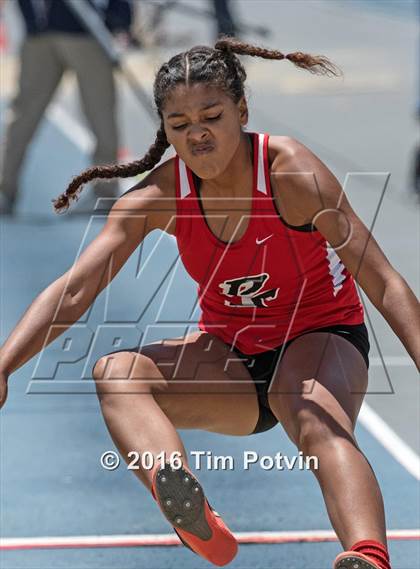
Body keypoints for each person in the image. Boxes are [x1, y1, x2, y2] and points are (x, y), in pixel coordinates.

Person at [1, 37, 419, 569]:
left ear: (241, 111)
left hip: (321, 337)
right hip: (233, 358)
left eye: (212, 116)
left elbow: (382, 281)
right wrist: (5, 364)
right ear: (164, 129)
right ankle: (188, 508)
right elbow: (77, 287)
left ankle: (367, 556)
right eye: (179, 124)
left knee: (310, 413)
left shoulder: (290, 172)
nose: (196, 132)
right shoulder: (159, 197)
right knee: (117, 375)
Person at [0, 0, 133, 215]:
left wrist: (119, 19)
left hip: (86, 29)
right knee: (23, 116)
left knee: (101, 115)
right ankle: (5, 190)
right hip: (42, 32)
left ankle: (105, 192)